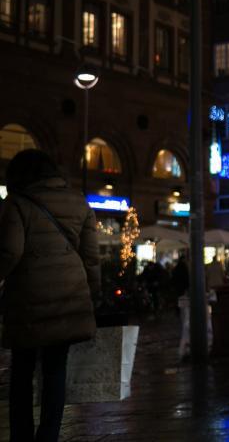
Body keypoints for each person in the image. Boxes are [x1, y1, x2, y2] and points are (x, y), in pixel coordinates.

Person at [0, 149, 100, 442]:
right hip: (70, 298)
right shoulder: (79, 202)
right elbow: (91, 258)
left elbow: (9, 252)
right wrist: (90, 294)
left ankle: (22, 436)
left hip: (29, 301)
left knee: (22, 372)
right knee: (56, 373)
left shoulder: (17, 202)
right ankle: (48, 437)